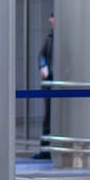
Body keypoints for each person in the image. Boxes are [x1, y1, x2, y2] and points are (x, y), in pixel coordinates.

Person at [32, 12, 54, 160]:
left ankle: (52, 148)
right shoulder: (50, 37)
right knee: (48, 117)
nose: (50, 20)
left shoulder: (58, 37)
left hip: (60, 87)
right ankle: (46, 148)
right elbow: (41, 55)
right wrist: (43, 67)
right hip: (50, 84)